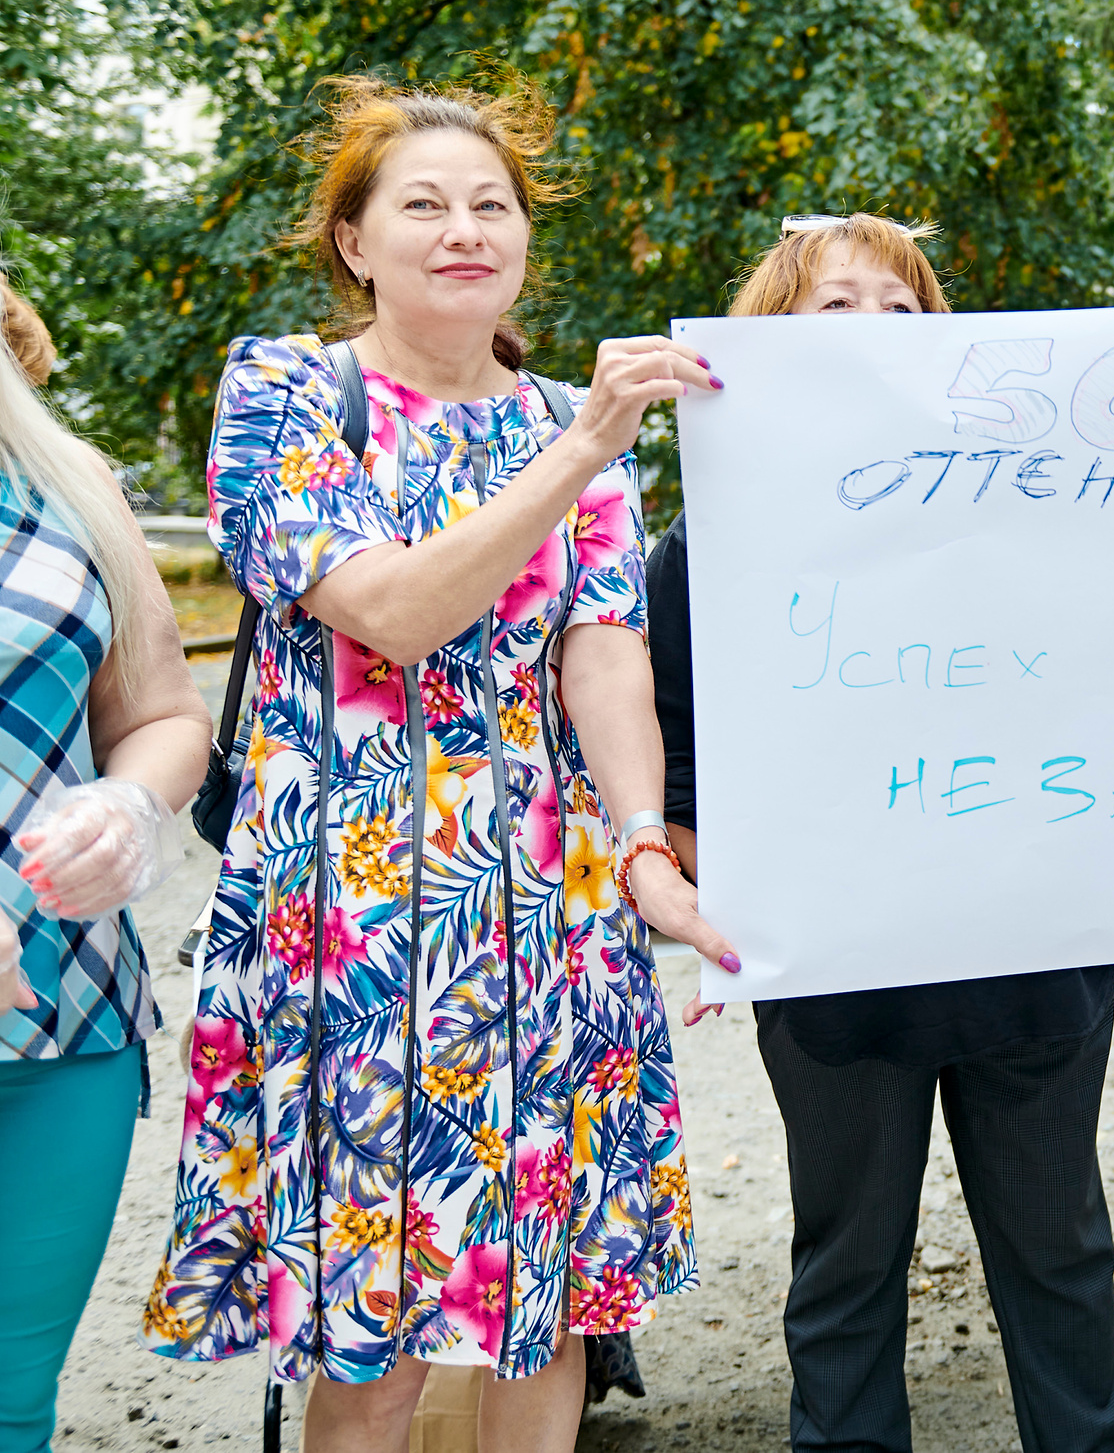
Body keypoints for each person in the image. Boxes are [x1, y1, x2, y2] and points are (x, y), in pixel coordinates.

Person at [143, 75, 733, 1452]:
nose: (465, 227)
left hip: (545, 908)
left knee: (548, 1294)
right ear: (355, 241)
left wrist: (643, 839)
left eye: (491, 204)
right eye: (424, 203)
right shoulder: (286, 389)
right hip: (357, 915)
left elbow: (603, 654)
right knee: (380, 1331)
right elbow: (398, 610)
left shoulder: (567, 425)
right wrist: (581, 445)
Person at [648, 213, 1114, 1453]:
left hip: (1034, 957)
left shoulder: (1050, 523)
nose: (872, 331)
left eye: (901, 309)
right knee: (847, 1263)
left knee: (1060, 1253)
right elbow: (679, 751)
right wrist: (720, 875)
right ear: (764, 347)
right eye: (834, 308)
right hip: (837, 975)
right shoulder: (701, 550)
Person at [0, 278, 211, 1453]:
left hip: (66, 1023)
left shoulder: (70, 485)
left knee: (11, 1409)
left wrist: (131, 800)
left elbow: (168, 711)